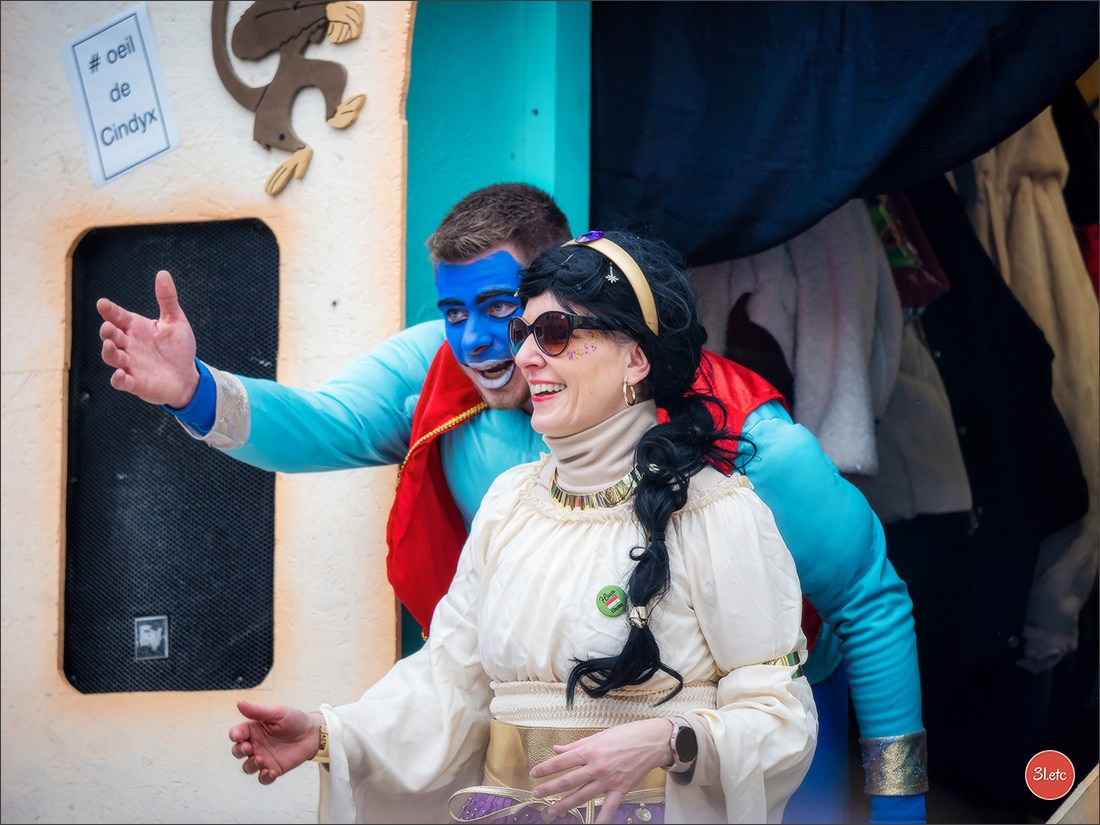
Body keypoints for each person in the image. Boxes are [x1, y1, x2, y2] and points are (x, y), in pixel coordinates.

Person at [97, 183, 927, 823]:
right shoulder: (485, 434)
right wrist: (193, 390)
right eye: (462, 314)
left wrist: (899, 807)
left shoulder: (746, 460)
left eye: (524, 318)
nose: (497, 346)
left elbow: (868, 606)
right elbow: (326, 426)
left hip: (757, 718)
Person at [228, 230, 819, 824]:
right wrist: (331, 732)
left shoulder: (718, 511)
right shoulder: (509, 505)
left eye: (557, 334)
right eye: (524, 334)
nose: (526, 357)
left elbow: (781, 719)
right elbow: (448, 686)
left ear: (636, 358)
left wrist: (669, 739)